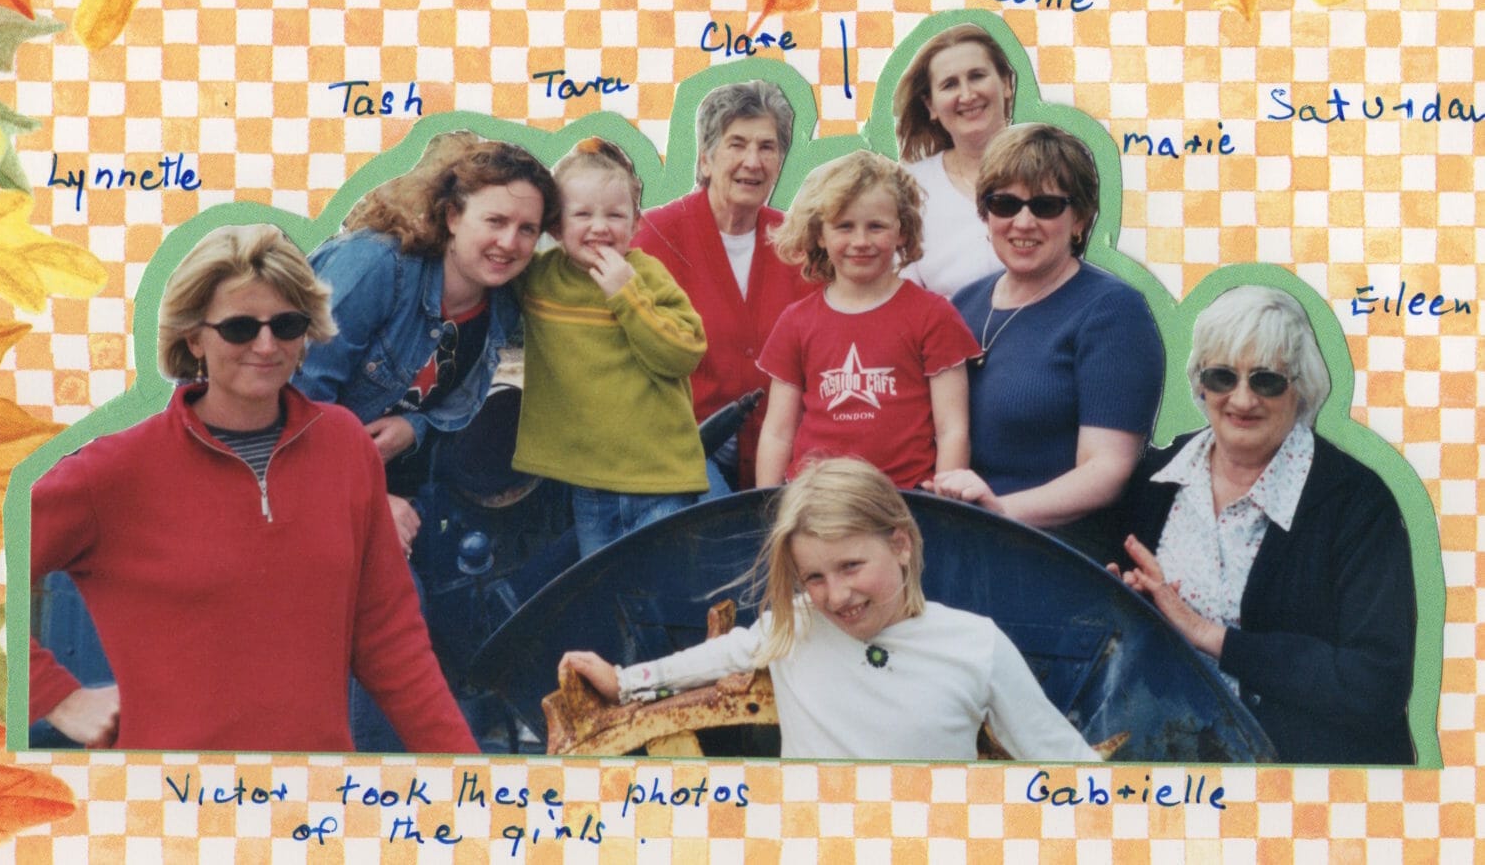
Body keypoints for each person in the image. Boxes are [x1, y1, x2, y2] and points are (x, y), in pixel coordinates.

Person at [28, 225, 477, 753]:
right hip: (168, 797)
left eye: (286, 325)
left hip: (314, 794)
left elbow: (392, 645)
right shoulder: (115, 470)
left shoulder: (345, 447)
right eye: (239, 328)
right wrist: (58, 697)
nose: (266, 346)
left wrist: (469, 777)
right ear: (193, 337)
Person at [559, 458, 1098, 761]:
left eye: (851, 566)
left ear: (901, 544)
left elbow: (1065, 763)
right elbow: (724, 654)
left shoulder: (975, 644)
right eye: (814, 577)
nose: (836, 596)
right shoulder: (797, 625)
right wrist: (625, 681)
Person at [1108, 285, 1416, 764]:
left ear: (1302, 388)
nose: (1242, 399)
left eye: (1267, 380)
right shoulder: (1153, 480)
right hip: (1172, 758)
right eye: (1222, 376)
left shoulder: (1356, 503)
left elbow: (1375, 686)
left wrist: (1211, 636)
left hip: (1306, 777)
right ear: (1201, 384)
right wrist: (1119, 604)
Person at [294, 130, 558, 554]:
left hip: (391, 486)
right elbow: (286, 406)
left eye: (527, 229)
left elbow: (450, 408)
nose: (510, 243)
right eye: (495, 221)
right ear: (453, 216)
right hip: (292, 482)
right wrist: (366, 500)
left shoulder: (501, 305)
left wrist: (414, 428)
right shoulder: (375, 267)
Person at [930, 123, 1163, 562]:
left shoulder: (1113, 312)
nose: (1023, 221)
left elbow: (1108, 470)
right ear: (985, 215)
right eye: (1005, 204)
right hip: (959, 537)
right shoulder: (962, 304)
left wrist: (999, 512)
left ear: (1080, 220)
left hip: (1057, 553)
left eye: (1046, 205)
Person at [512, 138, 708, 557]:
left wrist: (627, 296)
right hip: (588, 482)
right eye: (582, 214)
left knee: (660, 583)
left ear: (635, 225)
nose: (600, 227)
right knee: (604, 587)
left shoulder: (646, 274)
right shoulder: (539, 278)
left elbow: (684, 354)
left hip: (660, 478)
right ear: (554, 227)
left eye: (615, 215)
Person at [756, 150, 978, 489]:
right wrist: (767, 506)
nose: (860, 242)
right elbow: (777, 433)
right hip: (816, 500)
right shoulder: (795, 322)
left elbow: (953, 430)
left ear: (902, 231)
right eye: (844, 226)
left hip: (903, 500)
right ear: (820, 234)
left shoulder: (934, 315)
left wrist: (946, 505)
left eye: (876, 226)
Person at [632, 80, 812, 492]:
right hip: (680, 453)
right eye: (737, 144)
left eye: (767, 147)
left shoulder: (799, 243)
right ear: (706, 159)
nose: (753, 161)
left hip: (782, 454)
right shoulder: (652, 237)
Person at [893, 23, 1016, 296]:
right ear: (930, 105)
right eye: (950, 84)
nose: (967, 95)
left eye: (977, 76)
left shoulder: (1054, 166)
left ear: (1006, 84)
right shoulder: (908, 188)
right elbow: (902, 296)